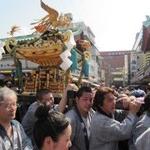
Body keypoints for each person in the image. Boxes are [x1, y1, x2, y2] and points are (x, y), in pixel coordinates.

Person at [66, 86, 95, 150]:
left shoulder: (92, 114)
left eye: (91, 100)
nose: (88, 103)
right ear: (77, 99)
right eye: (85, 99)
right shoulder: (70, 118)